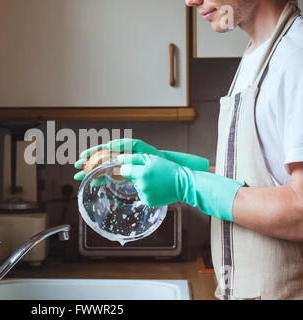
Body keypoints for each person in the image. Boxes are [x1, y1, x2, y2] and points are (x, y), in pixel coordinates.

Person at [74, 0, 303, 300]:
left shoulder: (296, 57)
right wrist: (170, 163)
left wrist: (186, 184)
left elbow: (299, 211)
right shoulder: (256, 54)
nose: (190, 0)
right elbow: (259, 181)